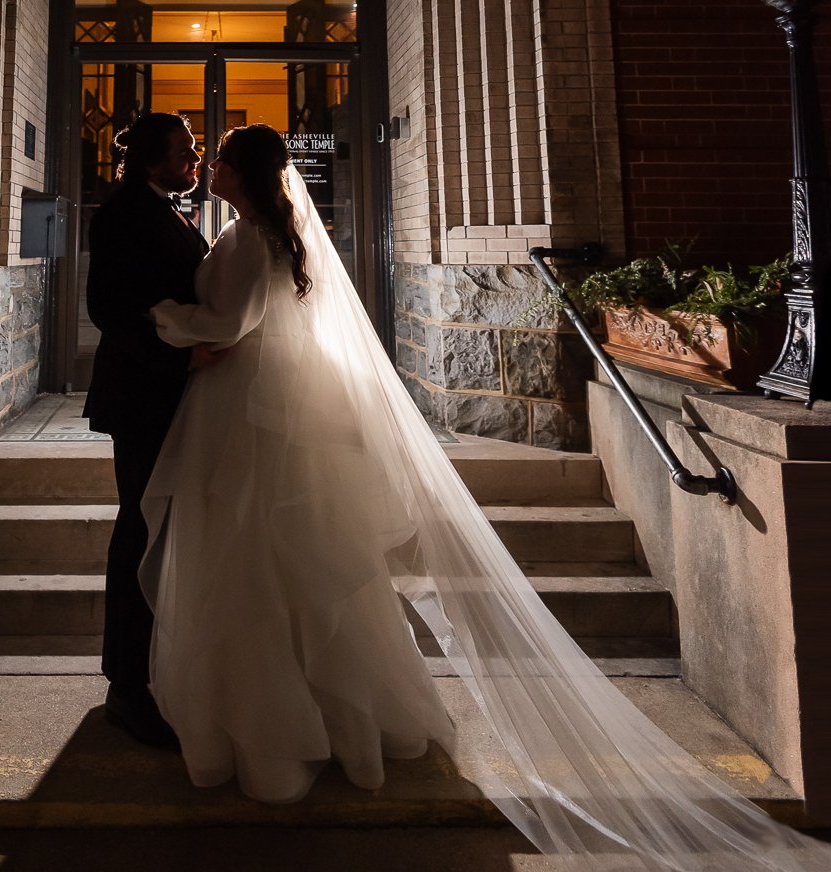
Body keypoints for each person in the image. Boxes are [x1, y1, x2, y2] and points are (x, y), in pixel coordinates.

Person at [142, 124, 831, 868]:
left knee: (256, 564)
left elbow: (233, 321)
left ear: (242, 173)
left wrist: (163, 323)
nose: (207, 168)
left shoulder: (250, 240)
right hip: (266, 408)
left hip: (251, 415)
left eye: (218, 161)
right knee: (298, 571)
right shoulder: (268, 234)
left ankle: (274, 735)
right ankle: (346, 721)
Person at [82, 110, 206, 748]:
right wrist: (182, 355)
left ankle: (152, 670)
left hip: (172, 395)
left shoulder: (169, 207)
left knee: (158, 527)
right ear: (151, 159)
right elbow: (108, 309)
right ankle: (126, 688)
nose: (195, 160)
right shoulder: (124, 211)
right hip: (140, 396)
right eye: (184, 150)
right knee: (140, 527)